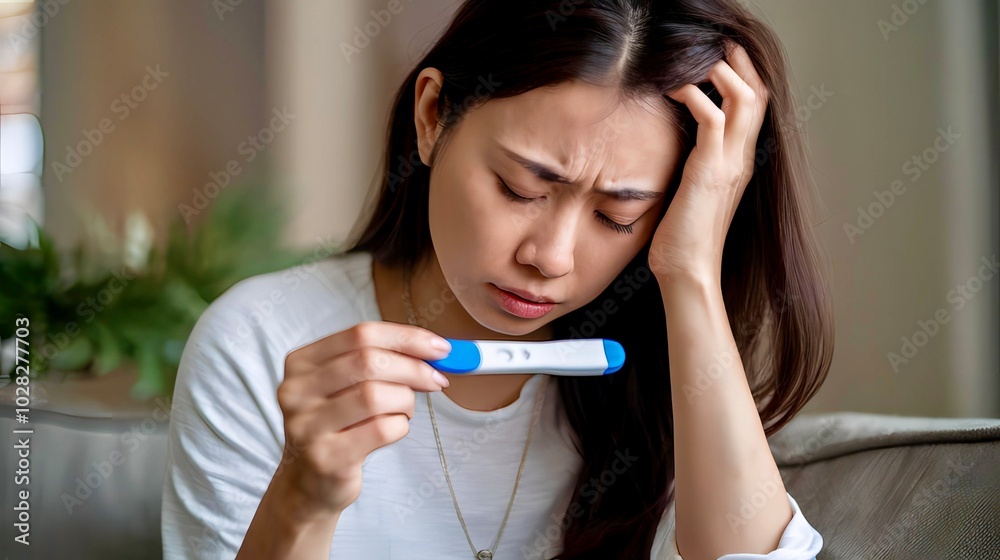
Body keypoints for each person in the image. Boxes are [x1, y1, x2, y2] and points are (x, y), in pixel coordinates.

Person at [161, 0, 834, 558]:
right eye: (520, 189)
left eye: (617, 216)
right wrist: (302, 500)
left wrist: (689, 274)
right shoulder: (259, 342)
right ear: (432, 117)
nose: (551, 257)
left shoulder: (670, 377)